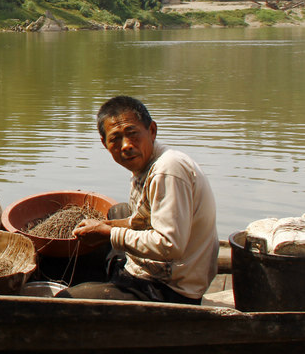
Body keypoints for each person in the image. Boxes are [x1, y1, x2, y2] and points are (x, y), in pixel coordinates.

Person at [67, 96, 218, 304]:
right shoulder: (144, 164)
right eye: (116, 138)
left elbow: (170, 245)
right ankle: (112, 279)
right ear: (105, 143)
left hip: (171, 289)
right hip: (161, 272)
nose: (126, 145)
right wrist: (106, 225)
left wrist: (109, 233)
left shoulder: (168, 169)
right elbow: (142, 219)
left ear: (152, 130)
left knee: (66, 299)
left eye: (132, 134)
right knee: (118, 212)